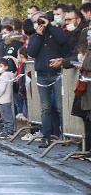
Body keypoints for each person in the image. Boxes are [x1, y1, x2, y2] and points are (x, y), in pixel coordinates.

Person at [28, 10, 73, 147]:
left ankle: (65, 135)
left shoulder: (55, 32)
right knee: (45, 108)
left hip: (57, 74)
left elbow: (63, 40)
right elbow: (31, 52)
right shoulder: (35, 37)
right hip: (42, 75)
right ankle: (46, 136)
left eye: (41, 20)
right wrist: (39, 35)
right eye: (35, 22)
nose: (39, 24)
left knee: (60, 107)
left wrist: (50, 27)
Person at [0, 57, 15, 137]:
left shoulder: (4, 76)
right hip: (4, 99)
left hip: (4, 99)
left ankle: (9, 130)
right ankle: (6, 130)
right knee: (4, 116)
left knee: (6, 116)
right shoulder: (5, 75)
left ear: (6, 67)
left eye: (1, 66)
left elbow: (2, 89)